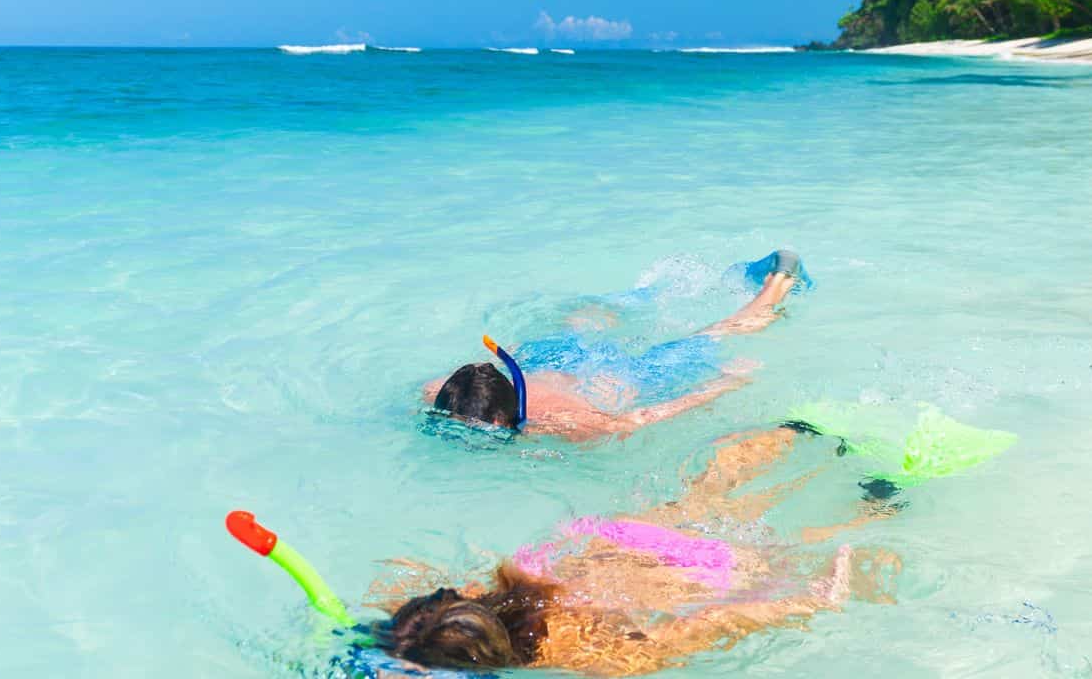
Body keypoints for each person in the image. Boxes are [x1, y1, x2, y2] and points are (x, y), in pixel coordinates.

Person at [367, 427, 900, 676]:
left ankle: (878, 506)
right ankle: (795, 432)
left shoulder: (570, 654)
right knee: (699, 496)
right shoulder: (486, 589)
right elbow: (398, 576)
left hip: (702, 570)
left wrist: (810, 601)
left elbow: (707, 622)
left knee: (788, 545)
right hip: (612, 536)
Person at [422, 251, 806, 441]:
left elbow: (636, 420)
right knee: (589, 318)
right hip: (547, 355)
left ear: (508, 419)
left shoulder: (564, 420)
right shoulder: (439, 395)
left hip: (615, 373)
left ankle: (777, 283)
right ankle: (643, 293)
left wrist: (723, 384)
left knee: (712, 335)